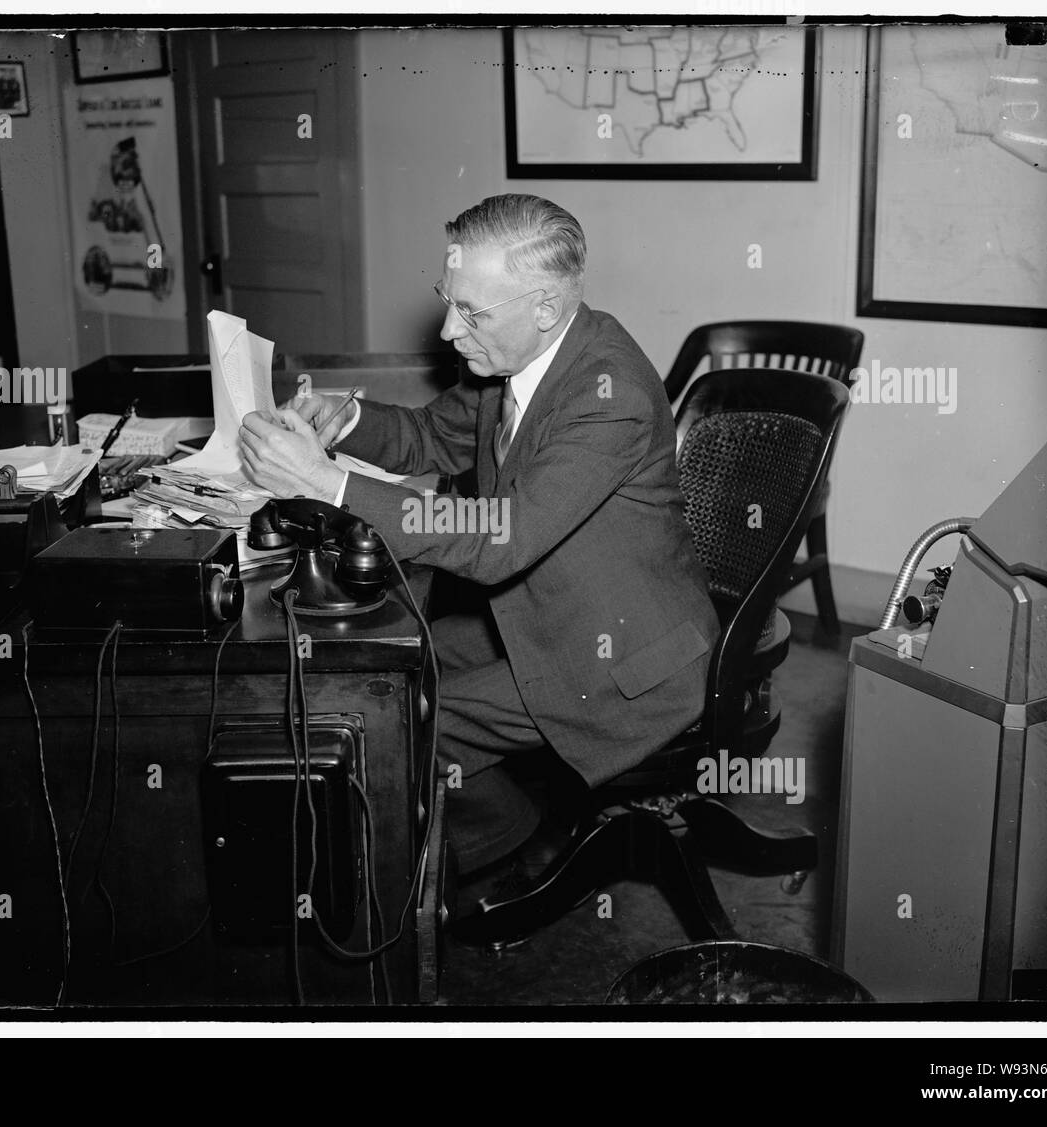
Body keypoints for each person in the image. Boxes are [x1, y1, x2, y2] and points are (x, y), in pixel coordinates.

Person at [239, 193, 719, 893]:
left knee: (395, 723)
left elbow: (501, 539)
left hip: (627, 661)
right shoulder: (518, 356)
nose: (447, 328)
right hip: (545, 615)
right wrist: (345, 423)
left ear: (546, 308)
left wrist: (326, 481)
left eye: (472, 312)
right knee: (380, 667)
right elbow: (434, 435)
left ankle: (492, 841)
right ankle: (505, 823)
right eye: (448, 299)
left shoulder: (607, 395)